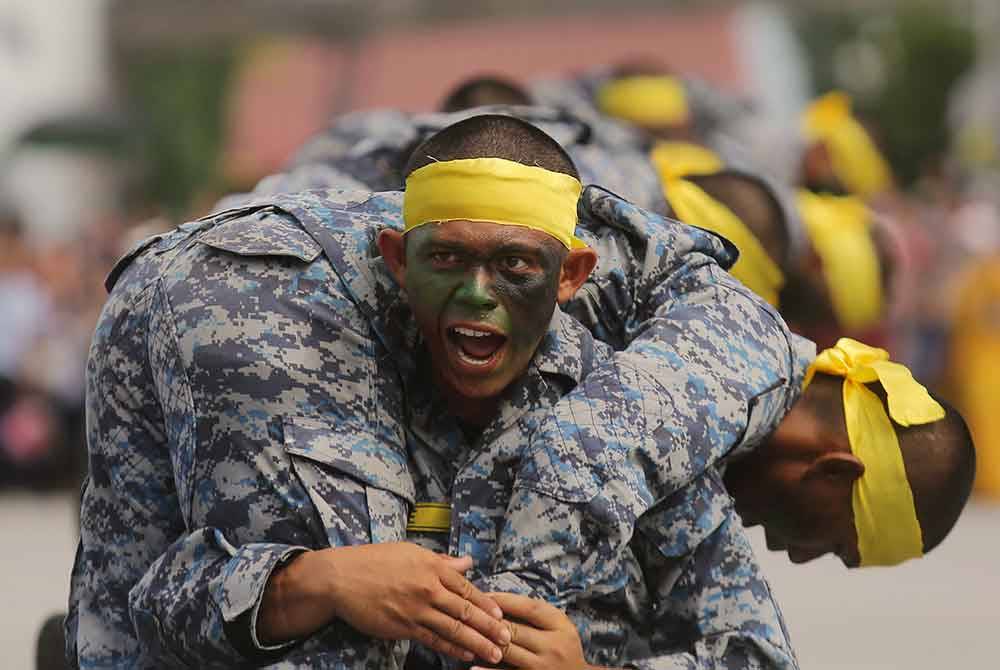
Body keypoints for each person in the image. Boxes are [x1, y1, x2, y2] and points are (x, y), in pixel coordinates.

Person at [68, 115, 805, 668]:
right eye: (446, 258)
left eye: (515, 265)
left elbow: (756, 652)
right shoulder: (323, 387)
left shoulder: (626, 416)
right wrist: (313, 584)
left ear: (572, 277)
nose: (477, 295)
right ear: (395, 259)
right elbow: (155, 605)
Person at [725, 338, 976, 567]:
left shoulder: (755, 332)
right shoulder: (693, 446)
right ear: (834, 471)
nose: (798, 556)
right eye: (835, 546)